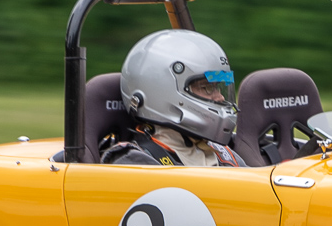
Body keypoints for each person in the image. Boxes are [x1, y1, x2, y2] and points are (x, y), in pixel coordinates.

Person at [100, 29, 247, 167]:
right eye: (206, 88)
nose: (220, 97)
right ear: (162, 89)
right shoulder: (134, 162)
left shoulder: (224, 155)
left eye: (217, 87)